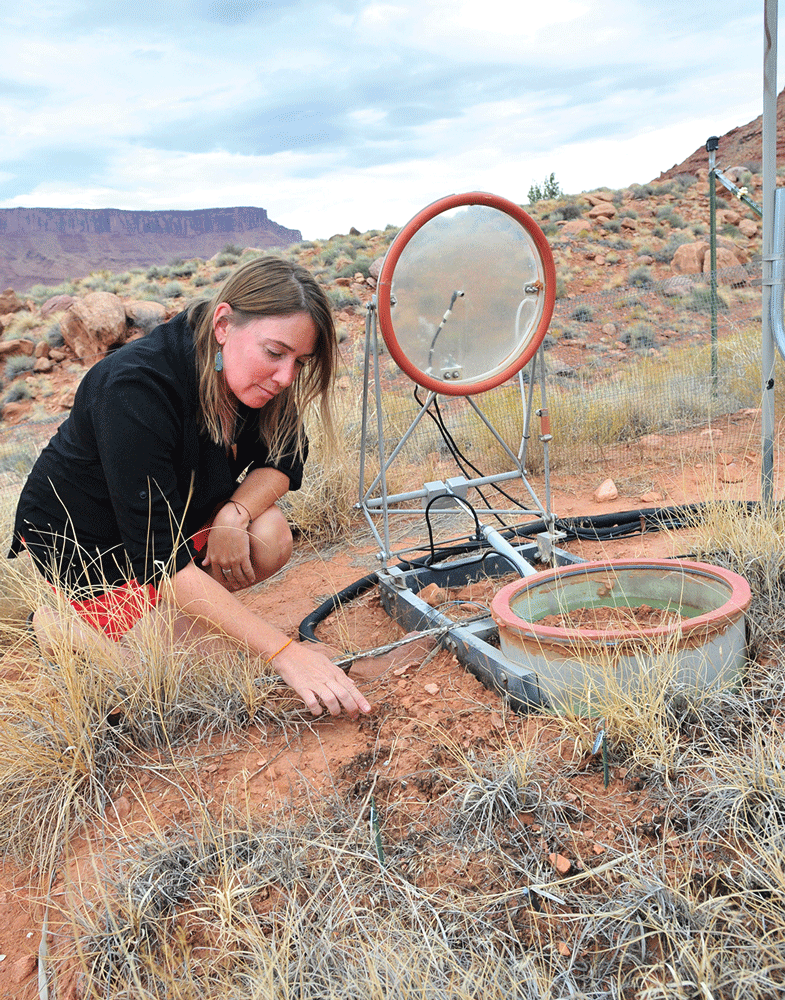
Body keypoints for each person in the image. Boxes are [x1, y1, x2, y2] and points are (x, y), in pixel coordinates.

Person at [9, 255, 371, 720]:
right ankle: (63, 628)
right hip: (93, 548)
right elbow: (158, 561)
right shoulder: (135, 386)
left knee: (269, 531)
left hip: (172, 526)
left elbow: (285, 459)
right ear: (223, 324)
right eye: (275, 353)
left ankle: (174, 623)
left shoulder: (248, 376)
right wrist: (284, 652)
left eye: (300, 362)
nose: (286, 377)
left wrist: (234, 513)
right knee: (200, 673)